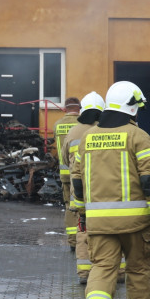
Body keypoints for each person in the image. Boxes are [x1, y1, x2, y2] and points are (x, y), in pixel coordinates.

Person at [71, 80, 150, 299]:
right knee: (137, 271)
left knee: (102, 269)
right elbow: (149, 179)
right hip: (135, 224)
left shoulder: (87, 137)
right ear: (132, 108)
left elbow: (77, 181)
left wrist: (81, 214)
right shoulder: (138, 136)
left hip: (98, 223)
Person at [66, 91, 123, 285]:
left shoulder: (73, 132)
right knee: (115, 230)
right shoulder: (107, 130)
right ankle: (120, 271)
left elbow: (66, 160)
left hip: (79, 190)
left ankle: (84, 272)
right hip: (103, 189)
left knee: (83, 229)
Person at [54, 97, 82, 251]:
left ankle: (72, 241)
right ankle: (83, 238)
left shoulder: (57, 125)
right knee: (82, 205)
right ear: (79, 108)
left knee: (69, 206)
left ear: (65, 109)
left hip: (65, 174)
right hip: (81, 174)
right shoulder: (83, 125)